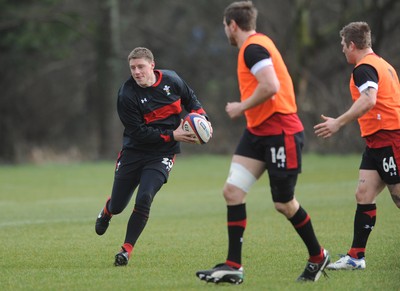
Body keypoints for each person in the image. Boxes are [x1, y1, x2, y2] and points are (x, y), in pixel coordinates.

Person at [196, 1, 329, 284]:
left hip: (281, 131)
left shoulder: (254, 48)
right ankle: (234, 266)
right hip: (257, 132)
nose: (225, 32)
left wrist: (241, 106)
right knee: (232, 192)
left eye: (224, 26)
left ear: (232, 25)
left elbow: (271, 86)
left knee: (284, 203)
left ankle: (318, 256)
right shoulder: (255, 45)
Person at [95, 47, 212, 266]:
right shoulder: (126, 94)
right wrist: (173, 134)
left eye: (140, 67)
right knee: (119, 204)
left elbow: (192, 100)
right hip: (134, 151)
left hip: (162, 154)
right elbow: (139, 132)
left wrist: (202, 118)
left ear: (152, 65)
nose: (137, 72)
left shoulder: (172, 80)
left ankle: (126, 250)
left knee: (145, 197)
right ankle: (107, 211)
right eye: (132, 68)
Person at [314, 22, 400, 270]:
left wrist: (338, 123)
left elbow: (369, 99)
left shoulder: (364, 68)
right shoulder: (381, 63)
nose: (342, 49)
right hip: (376, 141)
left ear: (352, 45)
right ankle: (355, 257)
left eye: (343, 44)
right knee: (363, 194)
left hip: (389, 139)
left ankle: (355, 256)